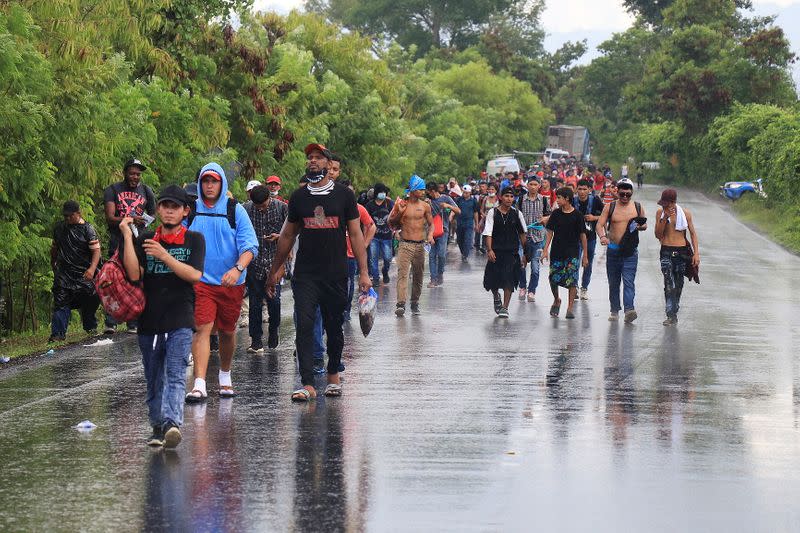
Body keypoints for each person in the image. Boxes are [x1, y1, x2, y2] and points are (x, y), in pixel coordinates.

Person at [266, 143, 370, 401]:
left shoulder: (344, 195)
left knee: (334, 327)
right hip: (305, 275)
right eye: (309, 158)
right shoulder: (299, 197)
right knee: (304, 324)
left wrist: (364, 272)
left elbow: (356, 234)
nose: (312, 161)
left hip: (335, 272)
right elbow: (288, 234)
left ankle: (333, 373)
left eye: (318, 158)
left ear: (328, 164)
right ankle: (308, 383)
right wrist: (276, 268)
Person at [118, 185, 205, 448]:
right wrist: (126, 235)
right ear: (158, 209)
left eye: (175, 207)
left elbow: (194, 275)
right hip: (149, 317)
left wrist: (165, 256)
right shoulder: (145, 238)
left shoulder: (194, 239)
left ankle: (172, 423)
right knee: (154, 376)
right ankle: (157, 426)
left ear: (185, 211)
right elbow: (134, 275)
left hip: (180, 314)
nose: (169, 211)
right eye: (165, 206)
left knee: (176, 372)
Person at [185, 163, 259, 402]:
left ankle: (225, 376)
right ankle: (199, 383)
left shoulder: (234, 210)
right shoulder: (191, 209)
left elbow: (250, 246)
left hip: (231, 283)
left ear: (221, 184)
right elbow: (178, 238)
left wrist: (237, 269)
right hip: (201, 281)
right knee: (202, 329)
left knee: (227, 331)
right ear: (199, 183)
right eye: (205, 181)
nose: (209, 186)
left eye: (214, 181)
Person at [102, 158, 156, 334]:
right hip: (118, 239)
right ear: (125, 172)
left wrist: (145, 221)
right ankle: (111, 321)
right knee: (114, 277)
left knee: (135, 278)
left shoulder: (146, 191)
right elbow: (110, 217)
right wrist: (131, 219)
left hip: (137, 240)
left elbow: (154, 213)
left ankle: (133, 321)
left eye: (138, 174)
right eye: (132, 173)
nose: (135, 177)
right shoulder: (113, 190)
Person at [49, 201, 101, 342]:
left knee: (91, 297)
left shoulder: (87, 229)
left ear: (78, 213)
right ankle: (58, 334)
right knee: (61, 300)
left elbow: (96, 251)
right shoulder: (59, 228)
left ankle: (90, 326)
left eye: (70, 216)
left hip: (83, 272)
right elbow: (54, 248)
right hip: (64, 273)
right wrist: (53, 261)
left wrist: (91, 269)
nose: (67, 219)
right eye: (65, 216)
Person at [596, 178, 647, 323]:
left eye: (628, 194)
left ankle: (629, 310)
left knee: (629, 281)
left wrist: (639, 227)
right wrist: (603, 236)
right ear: (617, 192)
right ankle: (614, 310)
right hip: (613, 250)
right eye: (622, 194)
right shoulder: (610, 207)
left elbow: (645, 225)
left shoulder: (637, 207)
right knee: (614, 282)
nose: (625, 197)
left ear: (631, 193)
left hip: (630, 251)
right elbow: (599, 225)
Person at [244, 185, 288, 353]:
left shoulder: (282, 208)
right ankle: (256, 340)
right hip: (254, 262)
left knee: (274, 301)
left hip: (275, 262)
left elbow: (293, 231)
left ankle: (274, 330)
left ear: (269, 198)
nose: (260, 209)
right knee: (255, 303)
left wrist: (280, 236)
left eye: (263, 205)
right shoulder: (246, 209)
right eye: (257, 206)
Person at [388, 175, 434, 316]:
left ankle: (415, 302)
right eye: (420, 189)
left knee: (418, 276)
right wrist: (399, 213)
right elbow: (392, 223)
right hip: (405, 245)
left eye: (424, 189)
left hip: (420, 246)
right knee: (403, 275)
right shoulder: (402, 204)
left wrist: (430, 235)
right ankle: (401, 304)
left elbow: (431, 224)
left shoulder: (425, 206)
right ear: (413, 190)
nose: (423, 192)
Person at [654, 188, 700, 326]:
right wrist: (664, 218)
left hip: (681, 252)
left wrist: (696, 253)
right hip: (666, 250)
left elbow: (692, 233)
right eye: (663, 204)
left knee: (679, 284)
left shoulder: (685, 214)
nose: (664, 207)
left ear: (673, 202)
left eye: (666, 204)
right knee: (669, 283)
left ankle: (674, 309)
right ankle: (670, 314)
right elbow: (657, 235)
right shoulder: (660, 213)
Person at [542, 187, 588, 319]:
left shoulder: (578, 215)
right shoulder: (555, 214)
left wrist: (585, 255)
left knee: (572, 280)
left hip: (572, 253)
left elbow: (583, 236)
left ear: (567, 198)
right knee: (553, 279)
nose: (557, 200)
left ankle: (570, 308)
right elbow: (550, 232)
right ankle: (557, 299)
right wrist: (545, 250)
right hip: (557, 252)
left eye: (559, 198)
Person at [482, 187, 527, 319]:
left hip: (511, 252)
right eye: (506, 196)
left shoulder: (517, 213)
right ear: (501, 197)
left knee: (509, 280)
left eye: (511, 196)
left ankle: (505, 307)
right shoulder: (493, 213)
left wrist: (526, 253)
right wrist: (489, 250)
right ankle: (496, 297)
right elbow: (488, 232)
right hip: (496, 251)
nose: (509, 199)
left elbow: (522, 234)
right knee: (492, 280)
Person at [341, 179, 375, 321]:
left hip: (350, 254)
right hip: (332, 254)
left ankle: (346, 311)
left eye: (351, 191)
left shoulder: (359, 208)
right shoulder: (332, 206)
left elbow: (371, 226)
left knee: (348, 284)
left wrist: (364, 244)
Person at [517, 178, 550, 302]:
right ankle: (522, 287)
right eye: (530, 184)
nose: (532, 186)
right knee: (521, 264)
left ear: (539, 186)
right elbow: (515, 215)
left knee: (535, 269)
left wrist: (545, 219)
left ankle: (532, 291)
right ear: (527, 185)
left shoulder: (544, 200)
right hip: (522, 238)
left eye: (535, 184)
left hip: (538, 239)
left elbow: (550, 216)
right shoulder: (520, 200)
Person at [426, 181, 461, 288]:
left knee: (441, 255)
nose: (426, 194)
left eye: (428, 192)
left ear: (432, 191)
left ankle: (440, 273)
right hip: (430, 232)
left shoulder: (446, 198)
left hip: (443, 231)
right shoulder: (428, 201)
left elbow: (458, 211)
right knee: (432, 255)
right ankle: (433, 279)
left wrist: (448, 206)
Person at [573, 179, 604, 300]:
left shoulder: (595, 200)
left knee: (588, 263)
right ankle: (574, 287)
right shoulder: (572, 200)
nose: (582, 192)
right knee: (574, 263)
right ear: (576, 189)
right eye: (579, 189)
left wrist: (593, 217)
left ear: (589, 190)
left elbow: (605, 215)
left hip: (590, 237)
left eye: (584, 189)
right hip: (574, 238)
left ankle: (584, 288)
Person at [365, 182, 394, 287]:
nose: (383, 194)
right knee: (373, 258)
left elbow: (395, 216)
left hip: (387, 236)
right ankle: (376, 278)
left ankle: (385, 271)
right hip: (374, 237)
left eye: (384, 192)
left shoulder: (389, 204)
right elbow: (366, 221)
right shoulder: (369, 205)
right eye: (381, 192)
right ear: (376, 193)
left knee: (388, 258)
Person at [455, 185, 479, 262]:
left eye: (467, 193)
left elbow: (475, 213)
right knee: (459, 239)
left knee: (467, 239)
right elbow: (454, 209)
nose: (465, 194)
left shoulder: (474, 201)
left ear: (470, 193)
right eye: (464, 192)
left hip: (469, 223)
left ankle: (465, 255)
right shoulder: (458, 200)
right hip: (459, 222)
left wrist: (477, 224)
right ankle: (463, 252)